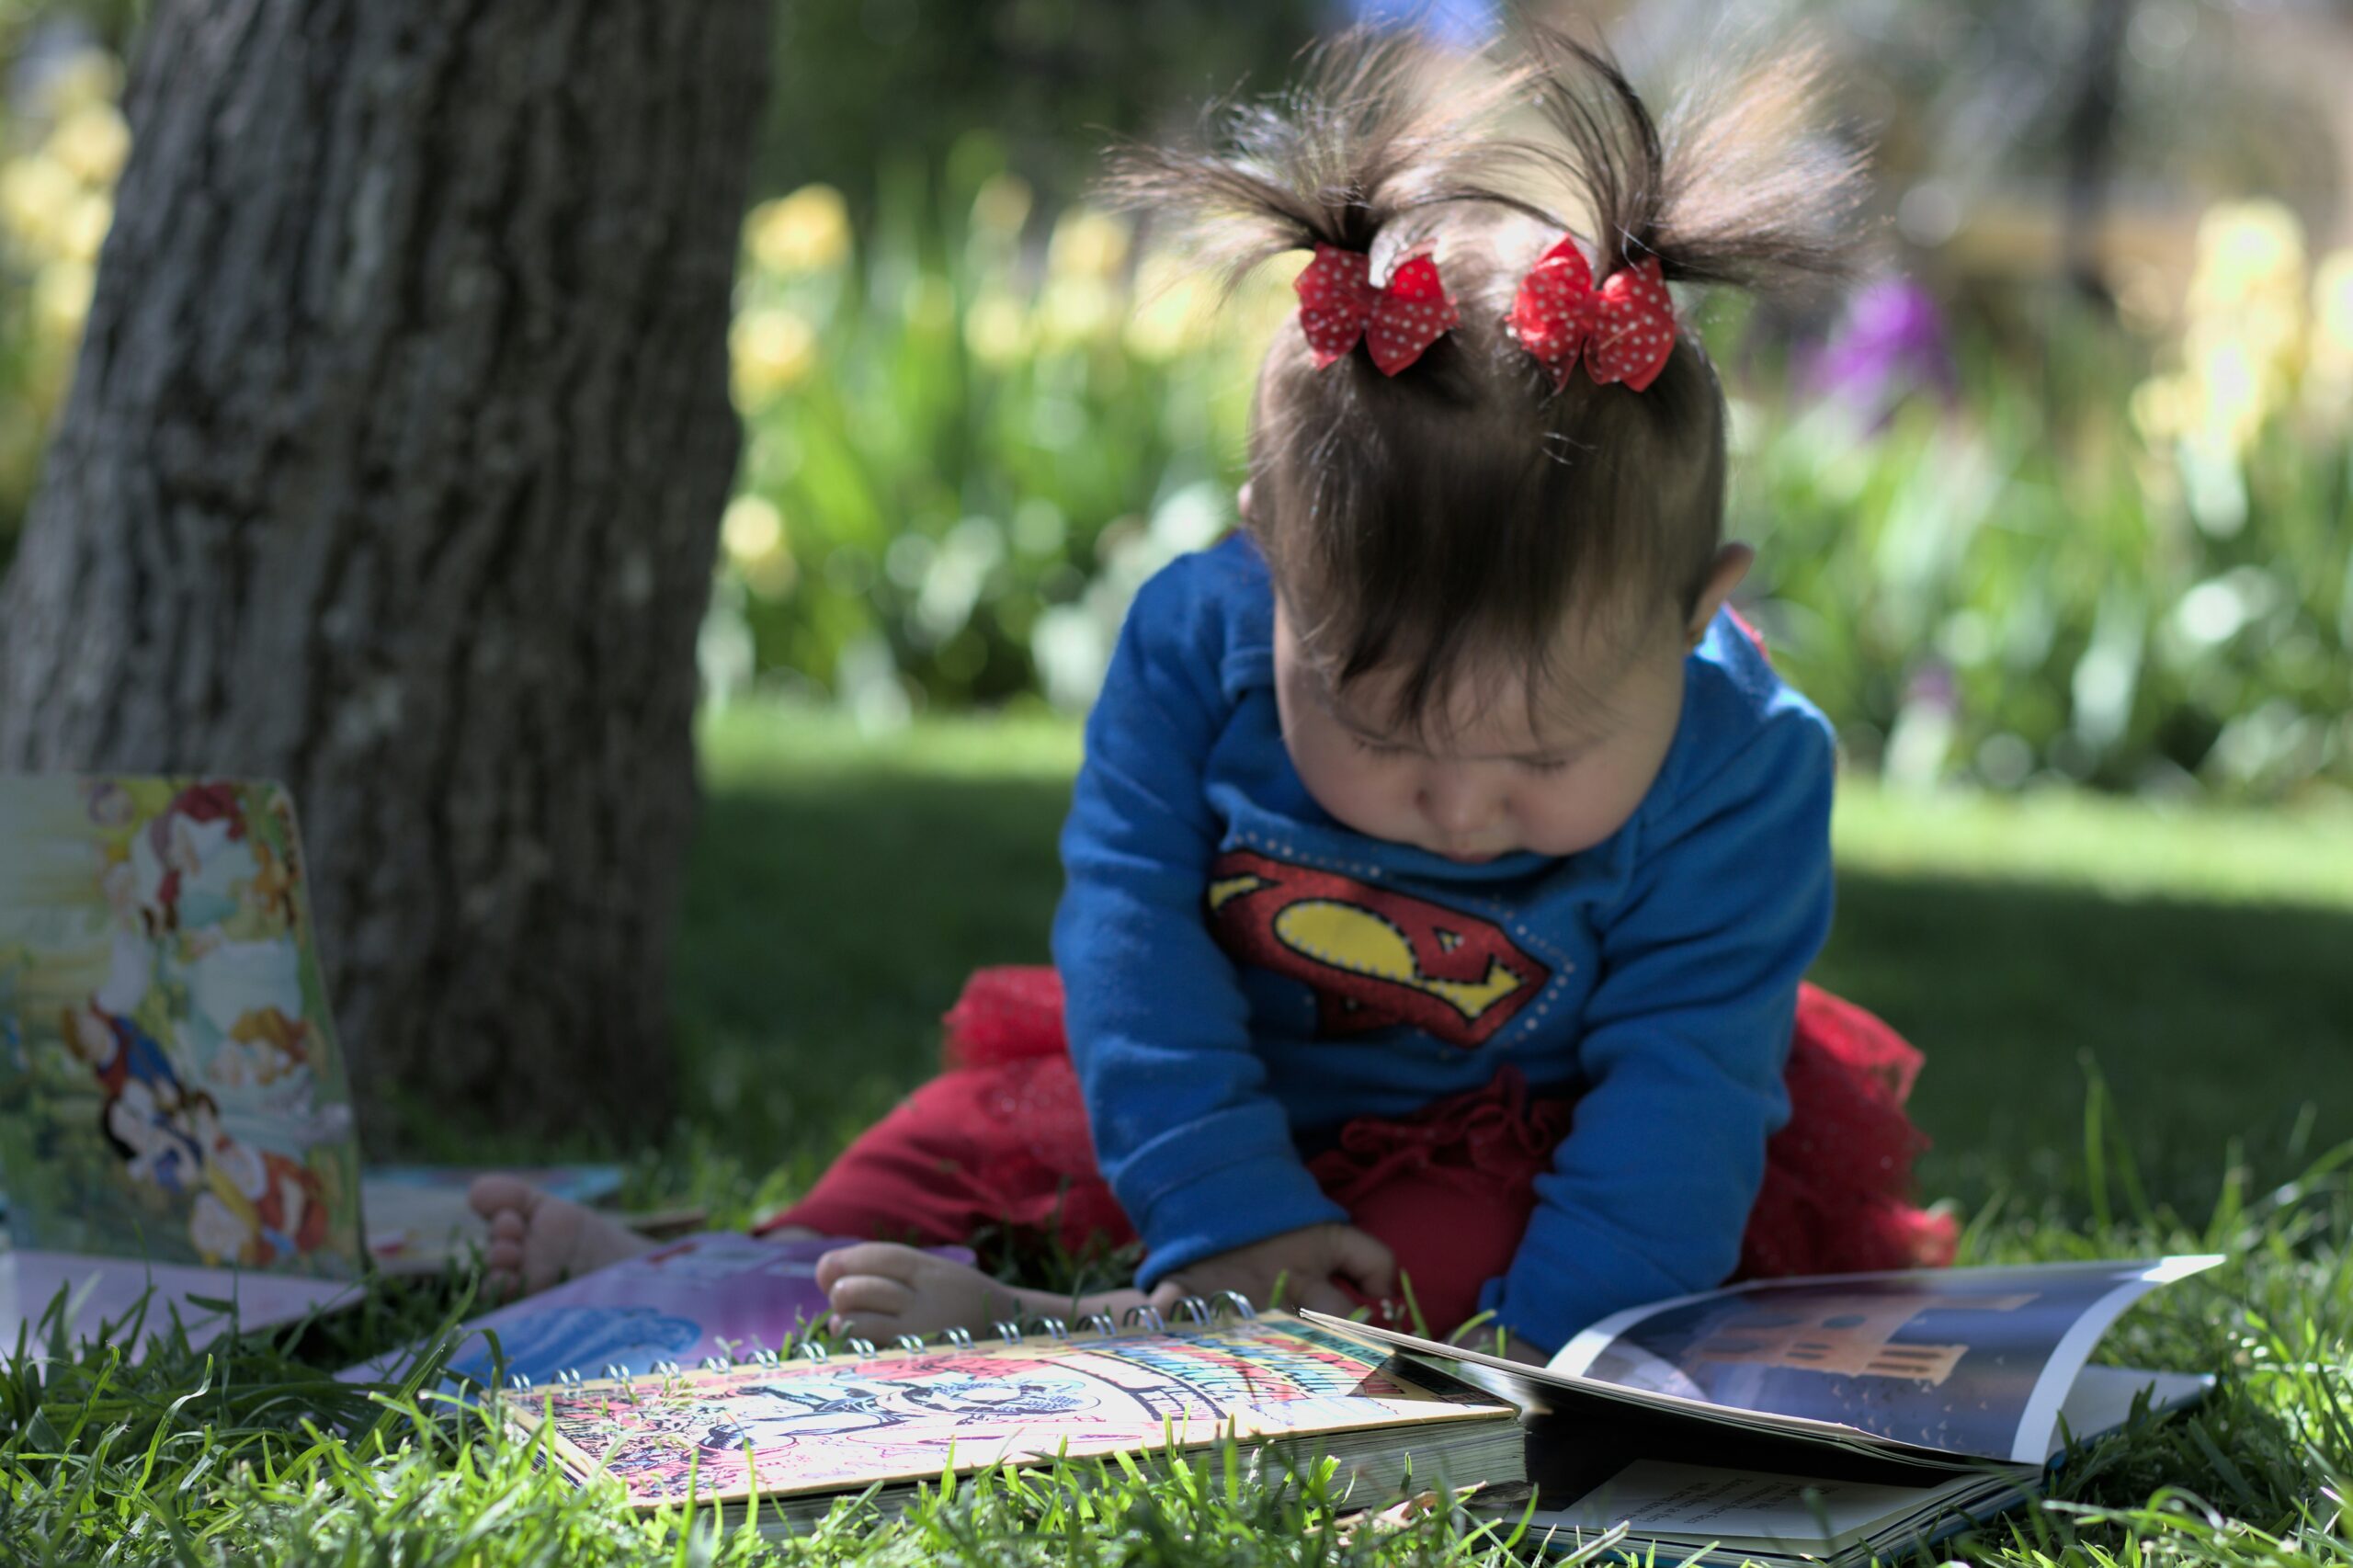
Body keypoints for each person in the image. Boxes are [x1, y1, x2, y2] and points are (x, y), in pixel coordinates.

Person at [471, 27, 1954, 1362]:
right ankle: (743, 1270)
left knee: (1447, 1260)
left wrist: (1556, 1359)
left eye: (1540, 753)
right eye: (1379, 732)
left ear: (1697, 615)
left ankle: (1066, 1330)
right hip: (1214, 1075)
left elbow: (1679, 1093)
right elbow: (1135, 944)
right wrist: (1224, 1198)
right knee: (943, 1147)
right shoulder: (1197, 646)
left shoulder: (1738, 769)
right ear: (1273, 573)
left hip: (1517, 1130)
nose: (1454, 803)